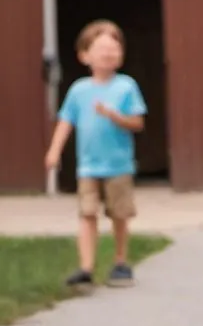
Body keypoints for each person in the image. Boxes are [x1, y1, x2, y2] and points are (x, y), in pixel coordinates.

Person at [44, 19, 147, 289]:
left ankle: (121, 262)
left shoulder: (126, 86)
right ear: (84, 55)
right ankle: (86, 268)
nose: (109, 54)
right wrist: (54, 150)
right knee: (87, 214)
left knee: (119, 215)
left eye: (114, 48)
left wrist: (114, 116)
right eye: (102, 48)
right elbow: (66, 121)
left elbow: (138, 122)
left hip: (119, 166)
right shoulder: (79, 90)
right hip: (88, 167)